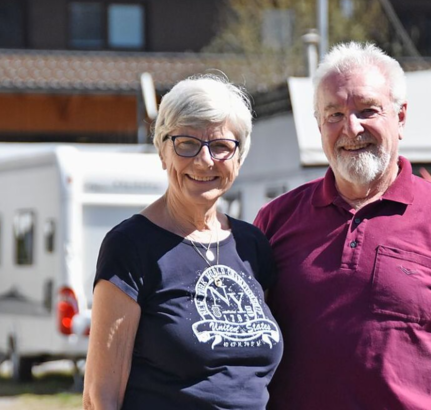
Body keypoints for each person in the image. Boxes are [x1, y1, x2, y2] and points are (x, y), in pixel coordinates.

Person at [254, 42, 431, 410]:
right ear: (318, 124)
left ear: (400, 117)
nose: (351, 128)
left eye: (367, 110)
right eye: (334, 114)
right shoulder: (275, 219)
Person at [83, 75, 282, 410]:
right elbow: (99, 396)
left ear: (239, 157)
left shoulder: (252, 246)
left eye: (221, 146)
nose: (204, 160)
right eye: (186, 143)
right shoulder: (131, 246)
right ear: (163, 152)